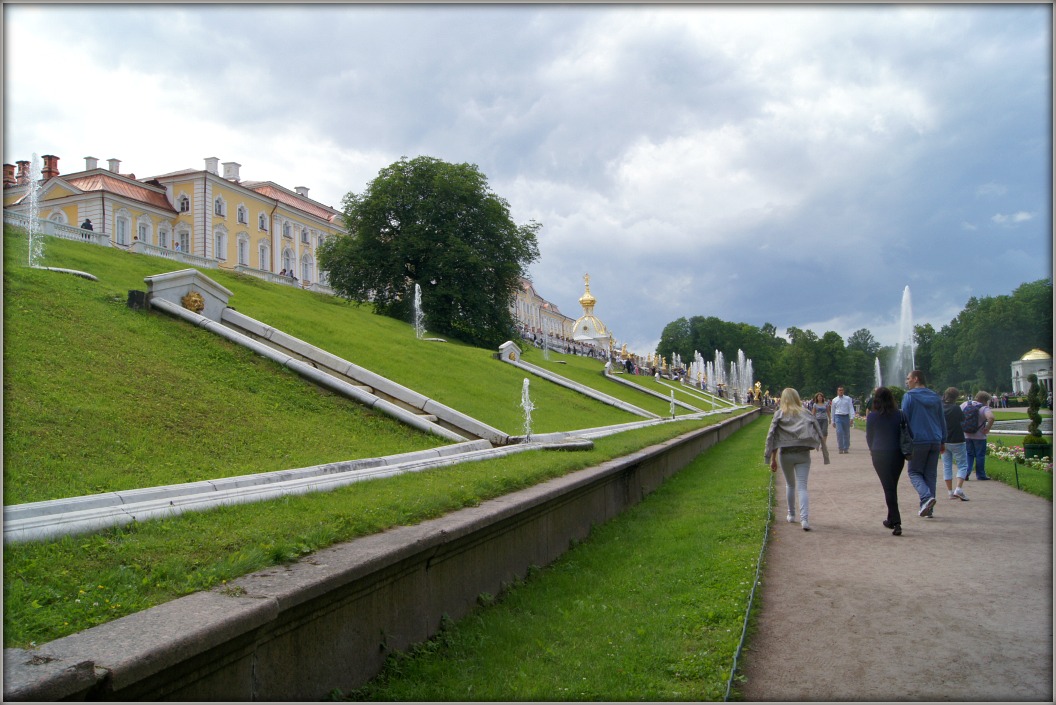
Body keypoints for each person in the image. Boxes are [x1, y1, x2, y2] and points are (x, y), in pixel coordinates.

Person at [764, 388, 828, 531]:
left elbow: (772, 437)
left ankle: (791, 514)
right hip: (803, 454)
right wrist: (822, 449)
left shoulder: (779, 414)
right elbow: (817, 429)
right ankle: (804, 519)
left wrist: (771, 458)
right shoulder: (805, 412)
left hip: (785, 454)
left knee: (790, 485)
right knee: (802, 486)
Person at [901, 370, 947, 518]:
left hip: (918, 440)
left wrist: (903, 441)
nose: (907, 381)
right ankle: (928, 509)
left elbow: (904, 420)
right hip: (934, 439)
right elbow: (942, 420)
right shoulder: (935, 396)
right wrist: (943, 440)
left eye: (908, 379)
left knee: (914, 472)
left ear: (916, 379)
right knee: (930, 475)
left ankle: (926, 498)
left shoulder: (909, 397)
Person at [865, 387, 906, 536]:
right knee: (891, 486)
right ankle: (891, 519)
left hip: (880, 453)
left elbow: (869, 437)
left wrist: (872, 449)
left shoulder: (873, 417)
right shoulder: (899, 415)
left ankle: (896, 522)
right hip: (897, 454)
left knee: (888, 487)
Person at [941, 387, 970, 500]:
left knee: (947, 466)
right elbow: (963, 419)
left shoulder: (941, 407)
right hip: (957, 439)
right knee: (962, 465)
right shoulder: (956, 408)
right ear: (956, 397)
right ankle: (958, 489)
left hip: (944, 440)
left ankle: (950, 492)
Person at [962, 391, 996, 481]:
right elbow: (991, 418)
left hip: (967, 434)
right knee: (980, 455)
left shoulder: (965, 404)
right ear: (985, 400)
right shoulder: (984, 408)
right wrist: (988, 428)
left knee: (969, 454)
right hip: (980, 436)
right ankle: (980, 475)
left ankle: (966, 473)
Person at [831, 386, 854, 453]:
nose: (841, 391)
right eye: (839, 390)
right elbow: (833, 410)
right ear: (837, 391)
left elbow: (851, 408)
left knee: (846, 433)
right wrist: (833, 420)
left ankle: (846, 447)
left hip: (846, 416)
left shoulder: (848, 399)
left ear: (843, 391)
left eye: (842, 390)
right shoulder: (834, 400)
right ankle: (840, 447)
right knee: (839, 432)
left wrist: (851, 417)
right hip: (838, 416)